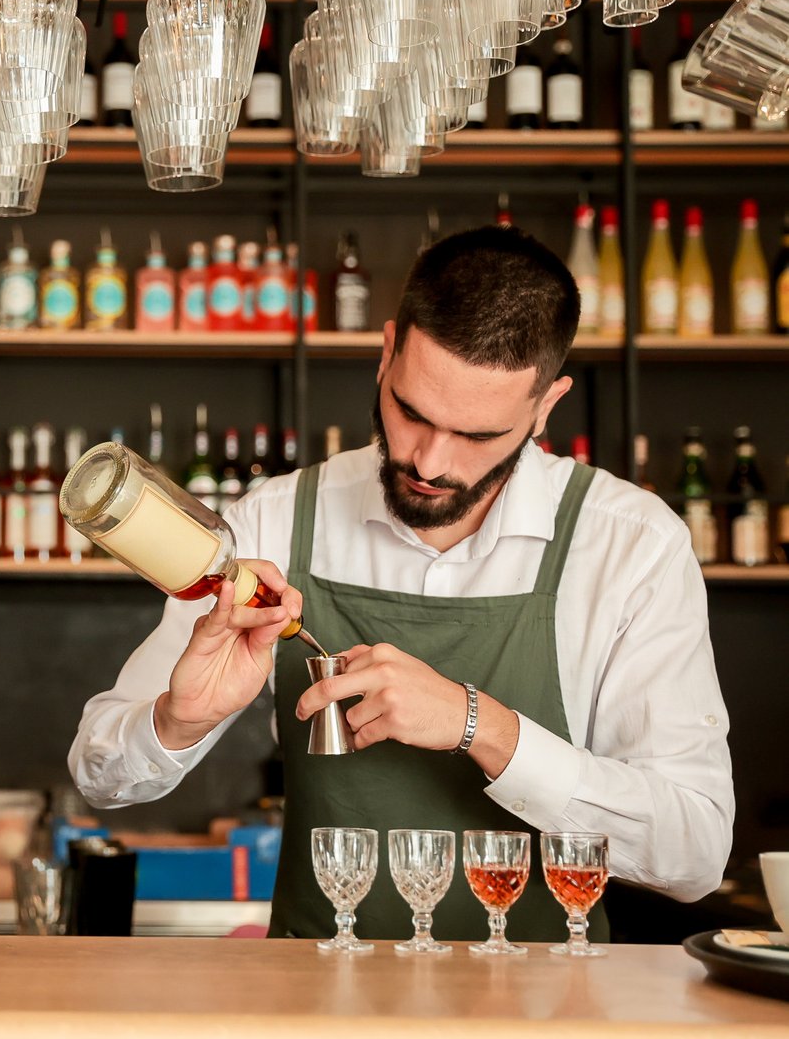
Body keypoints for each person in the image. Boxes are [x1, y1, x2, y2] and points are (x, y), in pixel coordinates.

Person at [68, 226, 734, 941]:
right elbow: (98, 774)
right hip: (316, 1006)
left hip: (549, 1014)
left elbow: (693, 851)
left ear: (547, 406)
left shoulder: (630, 544)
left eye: (478, 435)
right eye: (411, 410)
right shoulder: (274, 519)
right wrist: (179, 717)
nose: (429, 460)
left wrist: (482, 727)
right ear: (386, 352)